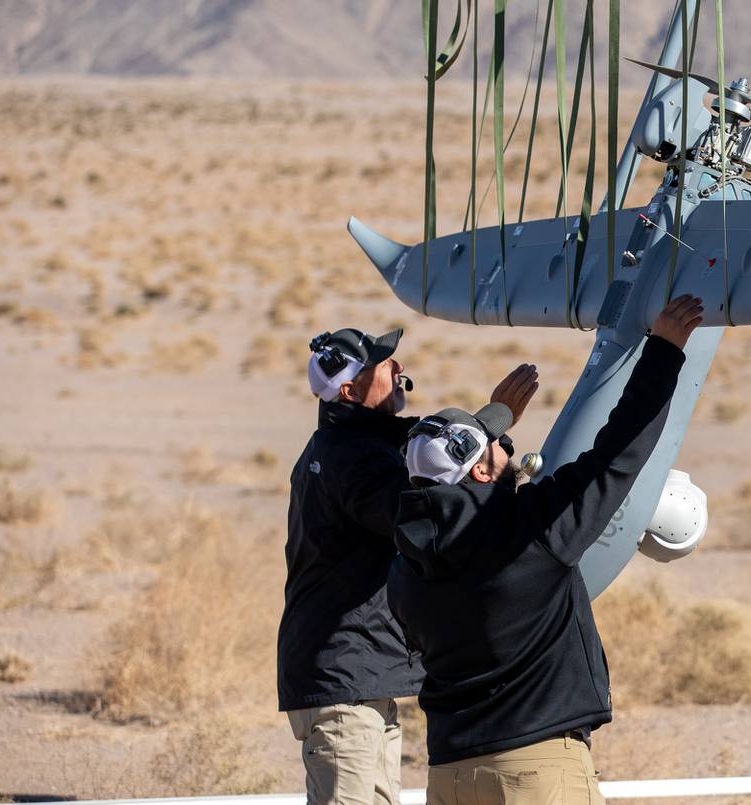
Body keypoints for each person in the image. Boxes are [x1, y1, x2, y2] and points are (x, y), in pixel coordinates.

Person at [388, 294, 705, 805]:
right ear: (483, 473)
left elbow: (457, 493)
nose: (507, 444)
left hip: (450, 774)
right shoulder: (530, 530)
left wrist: (490, 431)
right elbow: (618, 451)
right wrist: (664, 351)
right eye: (497, 444)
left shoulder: (405, 568)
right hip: (534, 773)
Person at [278, 325, 538, 805]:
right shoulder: (355, 459)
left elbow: (429, 471)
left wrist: (487, 429)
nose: (397, 367)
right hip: (346, 675)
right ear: (351, 390)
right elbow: (427, 515)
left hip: (355, 672)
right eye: (382, 363)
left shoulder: (348, 447)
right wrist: (490, 433)